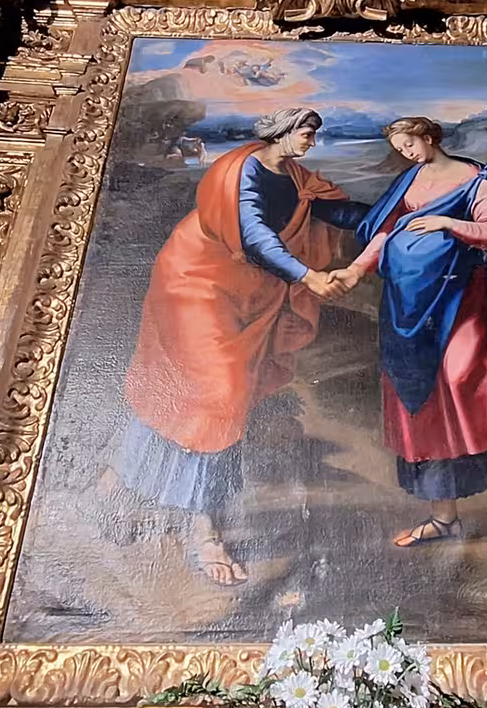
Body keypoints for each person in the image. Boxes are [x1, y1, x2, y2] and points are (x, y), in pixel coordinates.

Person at [111, 108, 366, 585]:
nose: (312, 143)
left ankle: (130, 476)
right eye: (307, 134)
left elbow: (336, 211)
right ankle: (202, 529)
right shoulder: (240, 170)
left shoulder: (296, 177)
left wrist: (405, 215)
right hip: (197, 281)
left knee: (217, 399)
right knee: (218, 393)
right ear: (282, 131)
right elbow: (253, 237)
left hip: (249, 291)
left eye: (314, 136)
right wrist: (309, 276)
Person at [327, 116, 487, 546]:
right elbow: (386, 232)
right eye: (399, 149)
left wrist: (447, 224)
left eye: (409, 144)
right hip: (408, 304)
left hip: (460, 301)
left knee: (473, 388)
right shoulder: (410, 180)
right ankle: (444, 515)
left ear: (429, 137)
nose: (406, 154)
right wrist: (357, 269)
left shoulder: (476, 180)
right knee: (423, 397)